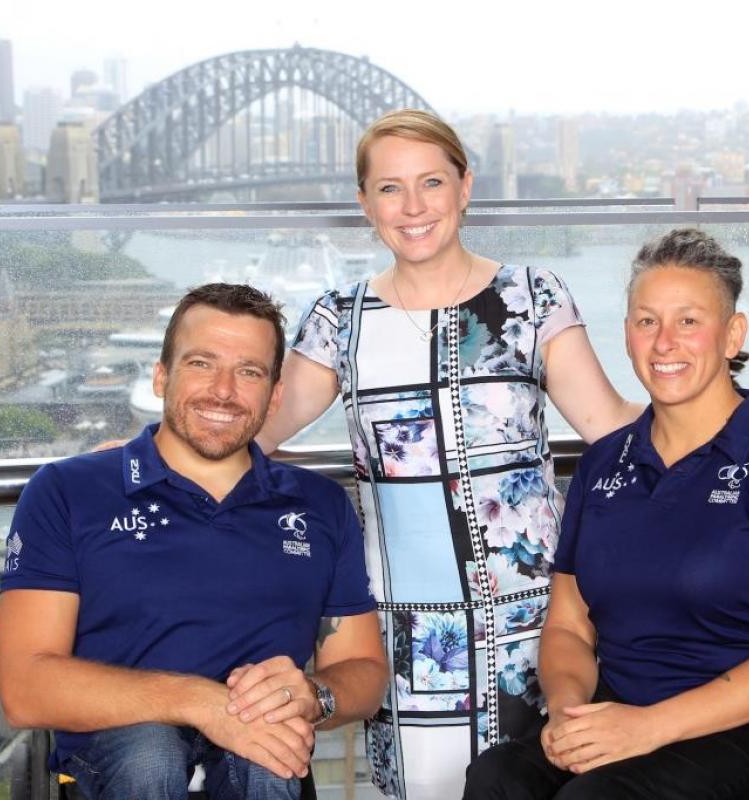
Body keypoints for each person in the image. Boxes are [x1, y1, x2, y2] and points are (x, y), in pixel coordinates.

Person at [227, 109, 640, 799]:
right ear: (365, 203)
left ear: (465, 186)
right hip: (408, 636)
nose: (413, 207)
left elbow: (612, 424)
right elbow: (254, 430)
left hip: (541, 627)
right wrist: (144, 452)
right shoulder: (339, 321)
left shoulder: (532, 300)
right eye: (390, 188)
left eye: (431, 182)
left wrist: (723, 418)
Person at [462, 228, 749, 800]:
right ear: (627, 334)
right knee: (498, 778)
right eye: (647, 321)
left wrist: (649, 727)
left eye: (689, 321)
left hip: (747, 725)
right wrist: (569, 714)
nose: (665, 342)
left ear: (732, 335)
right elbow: (570, 626)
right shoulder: (602, 465)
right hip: (618, 713)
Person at [0, 283, 388, 800]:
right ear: (162, 375)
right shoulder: (69, 491)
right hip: (119, 764)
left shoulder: (319, 506)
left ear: (273, 396)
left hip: (261, 754)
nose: (223, 390)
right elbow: (25, 688)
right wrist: (202, 702)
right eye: (202, 363)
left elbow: (361, 670)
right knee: (149, 753)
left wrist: (316, 695)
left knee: (268, 759)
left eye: (248, 371)